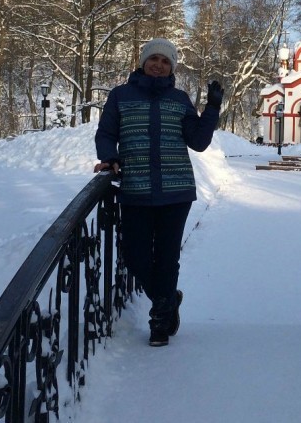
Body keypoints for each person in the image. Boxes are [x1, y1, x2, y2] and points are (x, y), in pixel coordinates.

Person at [94, 38, 223, 347]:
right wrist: (109, 156)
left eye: (165, 61)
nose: (158, 65)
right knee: (136, 257)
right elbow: (107, 132)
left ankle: (159, 321)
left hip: (176, 191)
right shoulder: (120, 96)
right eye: (153, 59)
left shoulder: (179, 99)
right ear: (142, 62)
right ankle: (168, 299)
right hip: (136, 189)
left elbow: (198, 141)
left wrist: (213, 108)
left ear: (172, 67)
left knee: (166, 257)